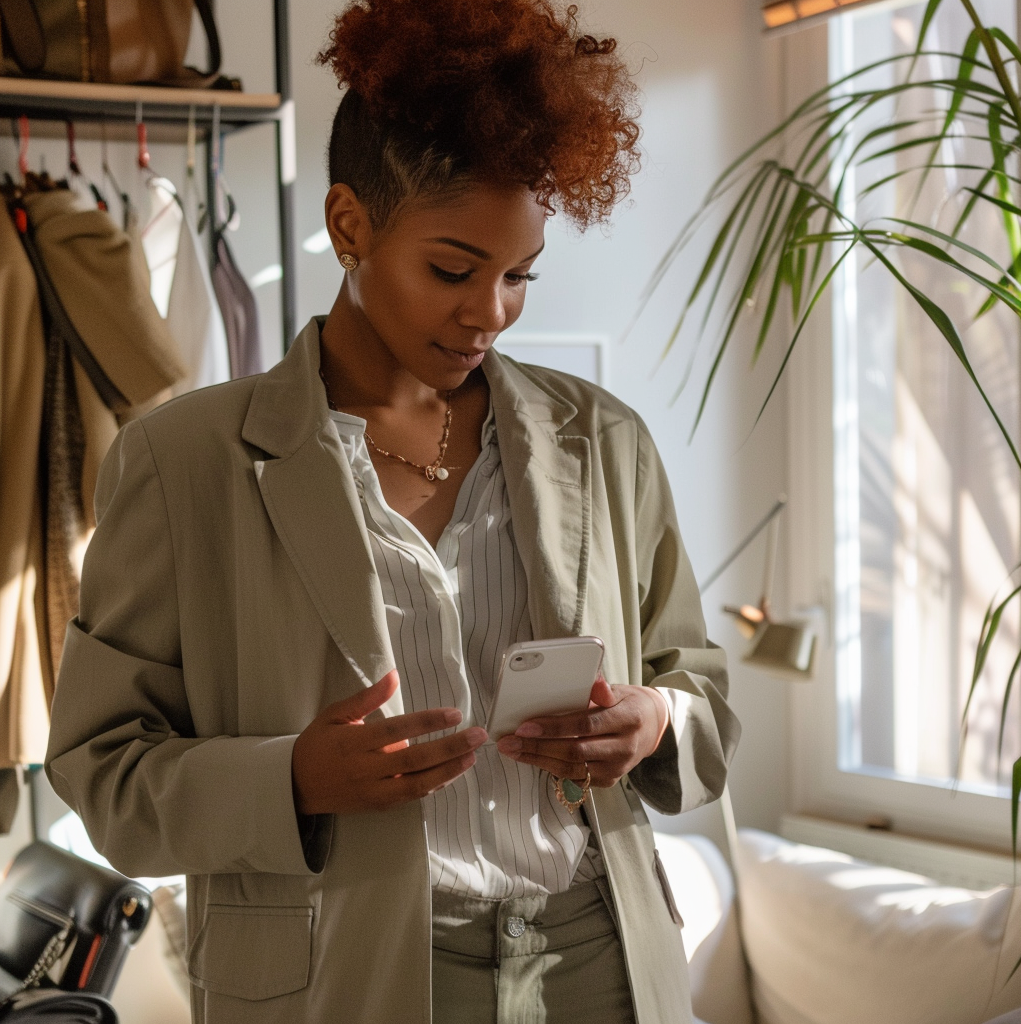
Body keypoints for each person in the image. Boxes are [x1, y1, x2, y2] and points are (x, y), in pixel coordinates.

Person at [45, 1, 740, 1022]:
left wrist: (654, 721)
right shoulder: (182, 461)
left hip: (600, 959)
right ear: (348, 224)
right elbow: (100, 768)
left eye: (518, 277)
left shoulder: (604, 440)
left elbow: (702, 689)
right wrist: (290, 776)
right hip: (350, 968)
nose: (488, 312)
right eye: (453, 269)